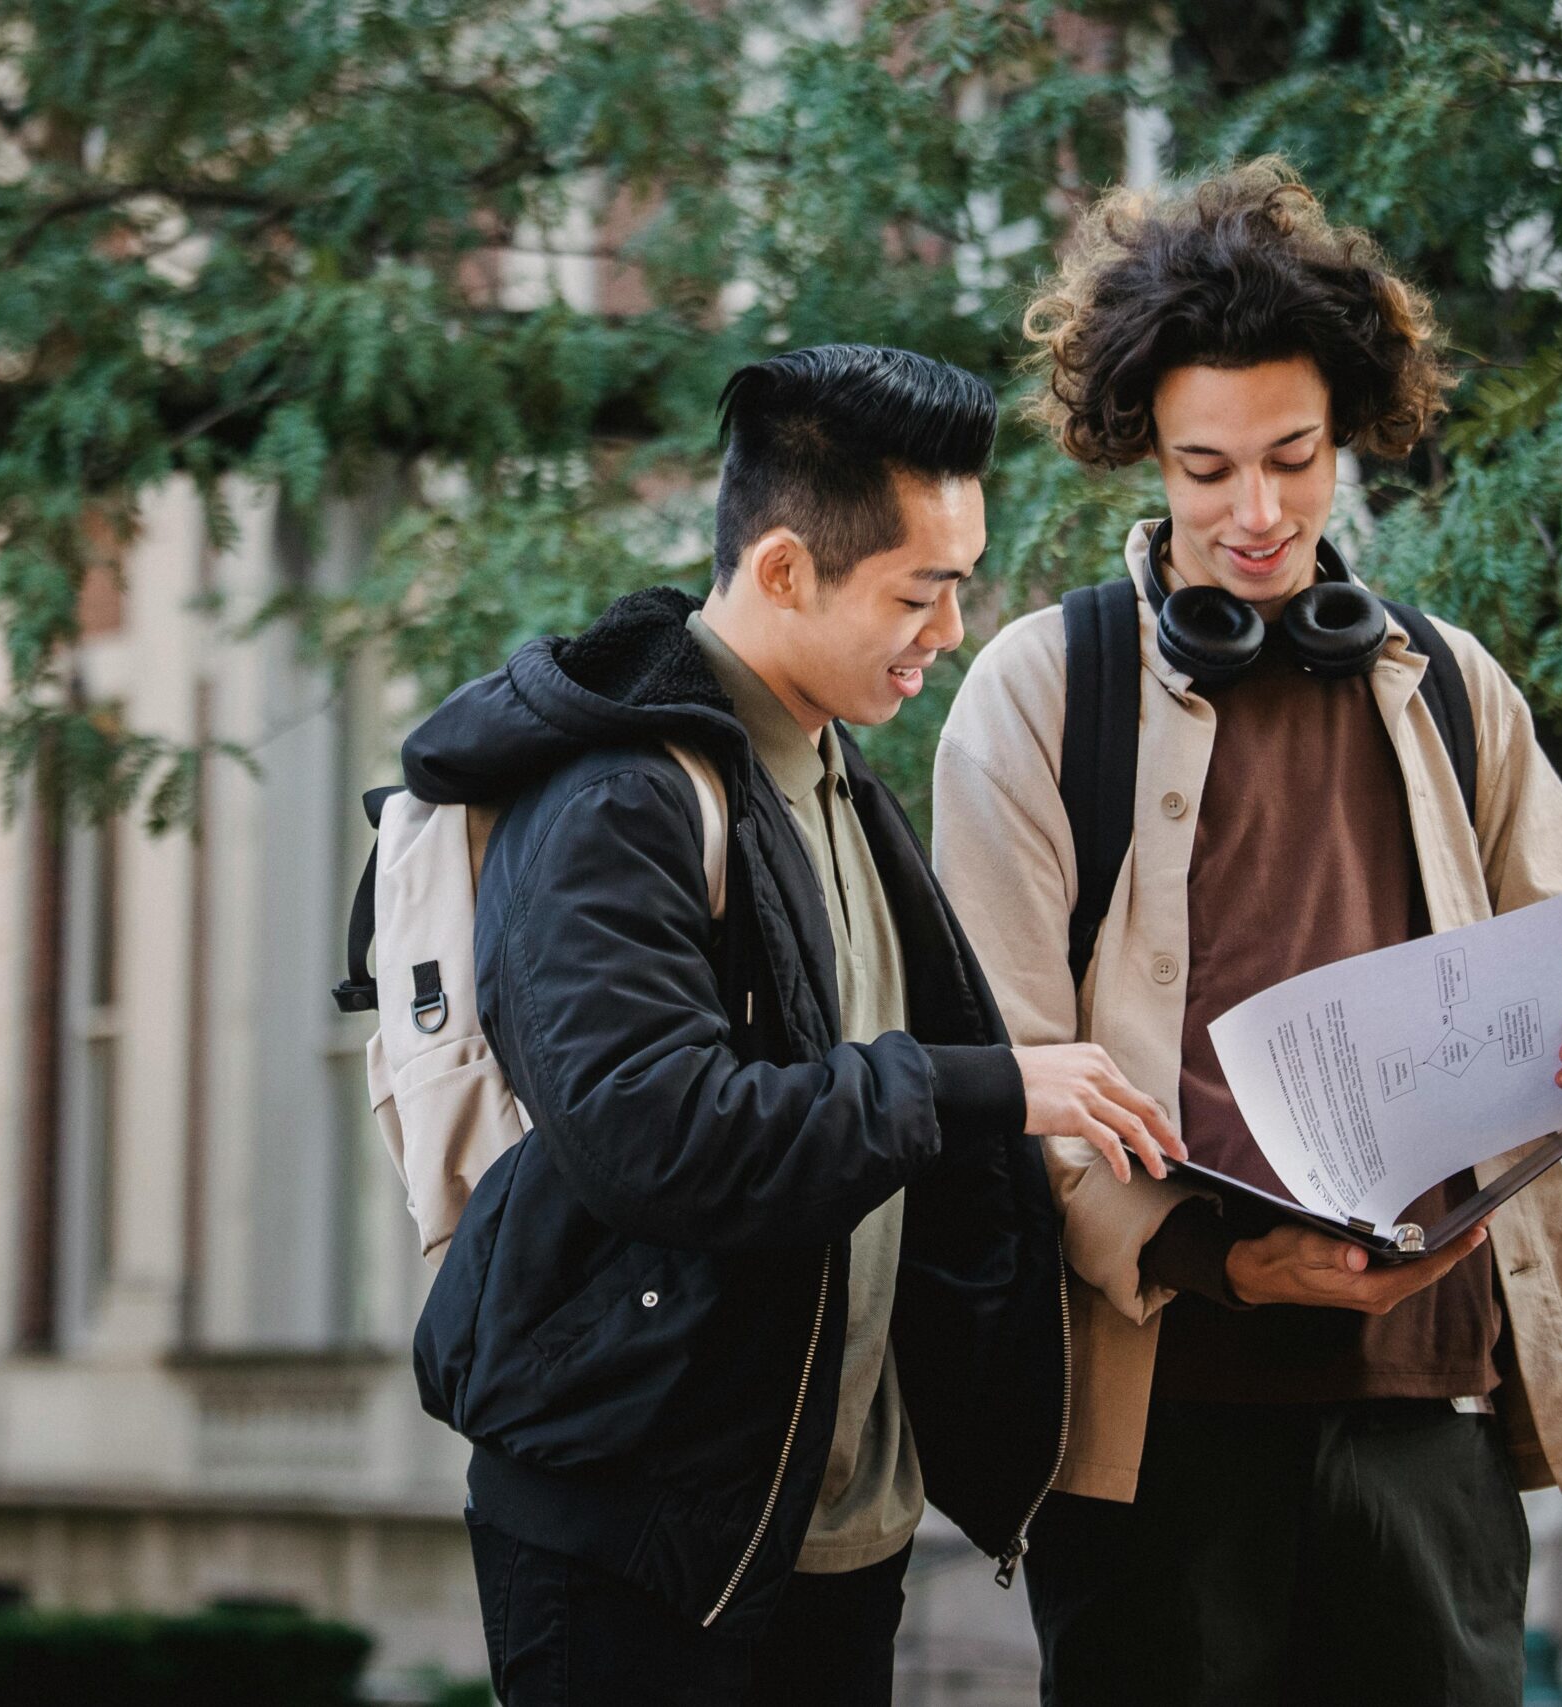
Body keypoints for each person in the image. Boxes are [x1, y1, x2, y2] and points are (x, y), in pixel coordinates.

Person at [932, 161, 1562, 1706]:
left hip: (1432, 1414)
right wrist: (1223, 1259)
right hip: (1161, 1429)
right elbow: (995, 1084)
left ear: (1353, 432)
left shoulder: (1454, 685)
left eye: (1294, 457)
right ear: (1144, 449)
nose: (1258, 514)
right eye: (1208, 471)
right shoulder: (1034, 693)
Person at [405, 344, 1182, 1706]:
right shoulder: (616, 801)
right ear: (780, 571)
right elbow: (657, 1134)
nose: (951, 631)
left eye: (961, 585)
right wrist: (983, 1088)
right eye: (919, 593)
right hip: (640, 1539)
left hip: (830, 1538)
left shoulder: (831, 778)